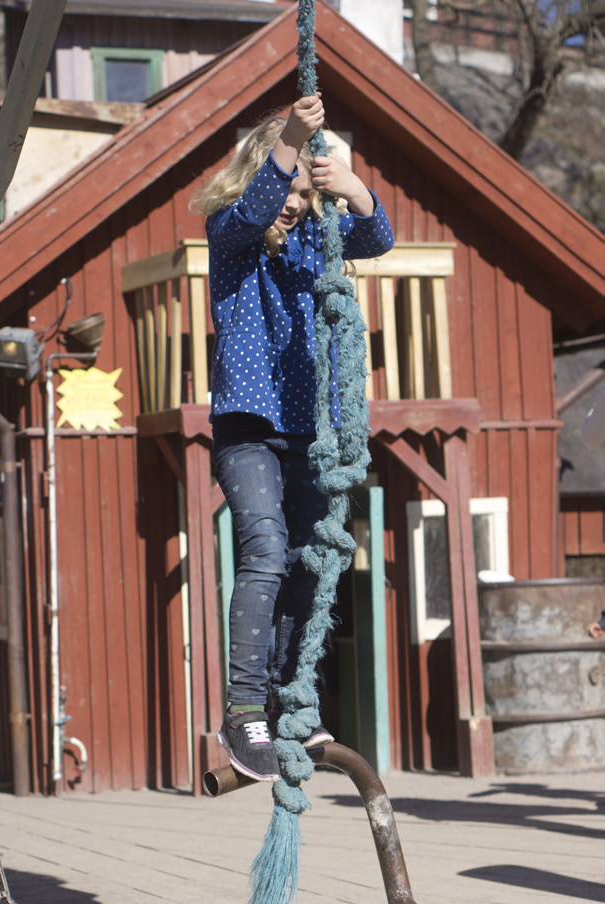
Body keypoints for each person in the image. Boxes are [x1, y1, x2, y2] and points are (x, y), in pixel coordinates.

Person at [192, 93, 395, 783]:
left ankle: (287, 697)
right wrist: (290, 143)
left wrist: (349, 185)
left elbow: (376, 238)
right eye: (287, 189)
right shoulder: (232, 235)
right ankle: (243, 705)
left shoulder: (315, 240)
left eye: (304, 195)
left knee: (313, 560)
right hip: (248, 429)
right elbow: (253, 209)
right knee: (266, 554)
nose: (293, 204)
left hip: (309, 432)